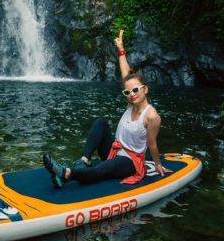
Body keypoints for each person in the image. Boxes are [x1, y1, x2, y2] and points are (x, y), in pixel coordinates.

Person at [43, 29, 168, 187]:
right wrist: (121, 50)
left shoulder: (151, 116)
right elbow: (126, 75)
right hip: (115, 150)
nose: (132, 94)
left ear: (146, 89)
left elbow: (152, 144)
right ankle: (84, 161)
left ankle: (66, 174)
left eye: (136, 90)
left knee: (100, 170)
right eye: (128, 92)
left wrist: (157, 164)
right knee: (101, 123)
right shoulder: (131, 103)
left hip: (129, 161)